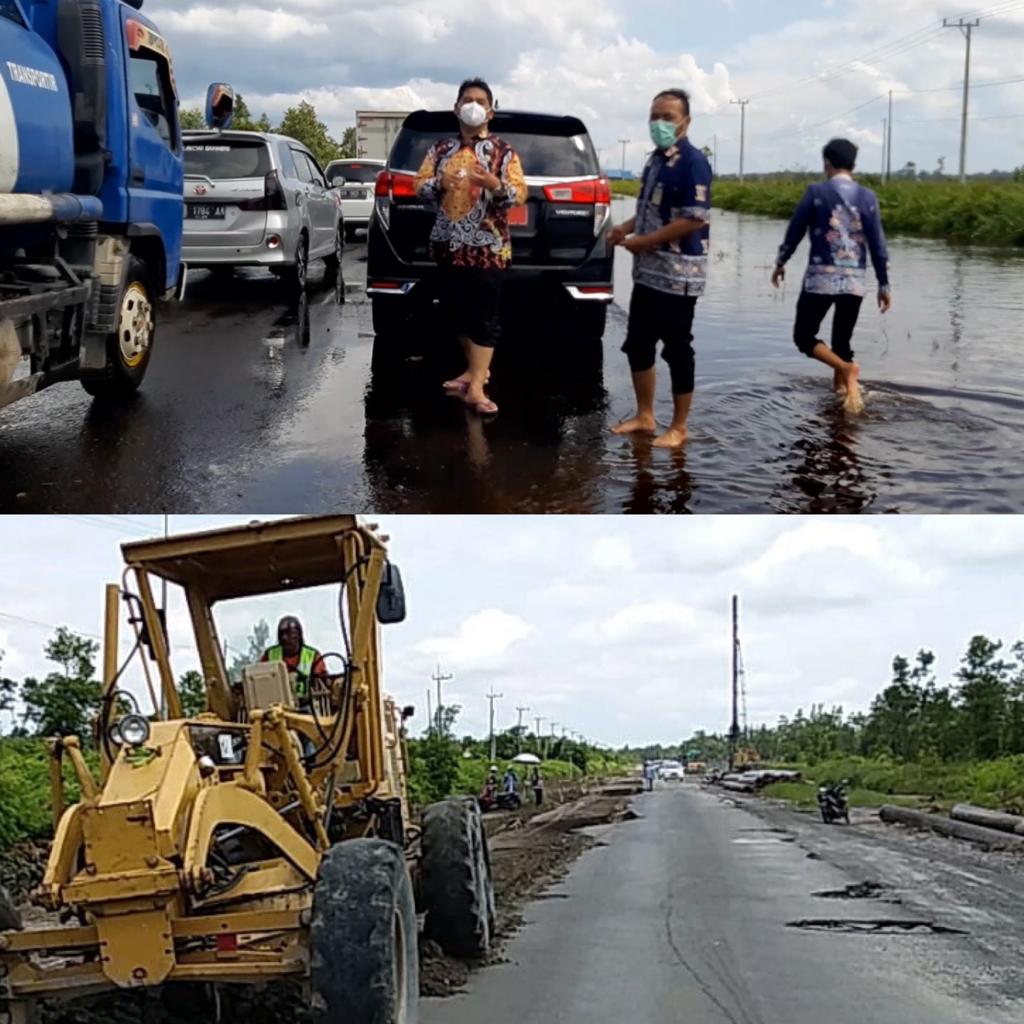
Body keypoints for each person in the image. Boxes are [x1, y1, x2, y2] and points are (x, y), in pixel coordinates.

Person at [415, 78, 527, 416]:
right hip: (448, 246)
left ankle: (477, 387)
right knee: (456, 313)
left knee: (484, 317)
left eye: (480, 101)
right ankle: (474, 371)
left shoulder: (503, 151)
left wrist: (494, 184)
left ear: (490, 111)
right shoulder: (440, 149)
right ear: (456, 107)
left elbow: (519, 193)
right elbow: (419, 185)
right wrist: (439, 183)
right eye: (467, 99)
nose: (473, 106)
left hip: (488, 247)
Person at [609, 89, 713, 448]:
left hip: (679, 275)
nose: (659, 124)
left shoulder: (693, 162)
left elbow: (694, 219)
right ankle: (645, 415)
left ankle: (679, 427)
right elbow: (649, 211)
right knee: (638, 344)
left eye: (667, 117)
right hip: (648, 274)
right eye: (654, 117)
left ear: (686, 122)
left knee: (677, 349)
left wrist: (646, 241)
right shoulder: (655, 160)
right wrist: (625, 229)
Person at [772, 138, 892, 413]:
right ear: (854, 164)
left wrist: (781, 261)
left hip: (820, 280)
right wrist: (884, 284)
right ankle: (843, 398)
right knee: (841, 342)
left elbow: (795, 230)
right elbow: (878, 244)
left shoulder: (816, 192)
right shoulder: (867, 197)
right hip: (854, 281)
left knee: (804, 337)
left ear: (827, 162)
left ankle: (846, 370)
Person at [261, 615, 328, 710]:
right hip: (276, 706)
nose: (284, 638)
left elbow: (322, 682)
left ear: (299, 635)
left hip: (305, 706)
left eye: (289, 633)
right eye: (281, 634)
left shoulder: (312, 655)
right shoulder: (270, 655)